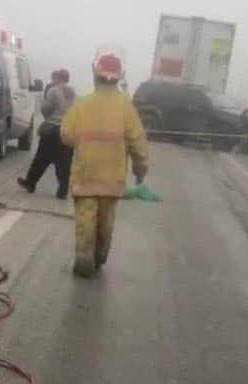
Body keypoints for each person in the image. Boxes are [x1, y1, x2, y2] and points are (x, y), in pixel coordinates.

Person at [60, 51, 149, 278]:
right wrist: (141, 169)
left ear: (95, 74)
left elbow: (66, 135)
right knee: (106, 220)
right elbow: (137, 141)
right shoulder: (125, 108)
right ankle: (99, 256)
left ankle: (83, 256)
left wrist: (84, 144)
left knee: (85, 217)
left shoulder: (83, 104)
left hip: (86, 174)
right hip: (112, 178)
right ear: (119, 77)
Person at [17, 69, 76, 199]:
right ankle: (63, 190)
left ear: (58, 78)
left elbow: (46, 108)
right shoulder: (73, 93)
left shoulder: (53, 91)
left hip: (52, 129)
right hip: (67, 130)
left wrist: (48, 116)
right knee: (64, 162)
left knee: (41, 158)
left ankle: (30, 183)